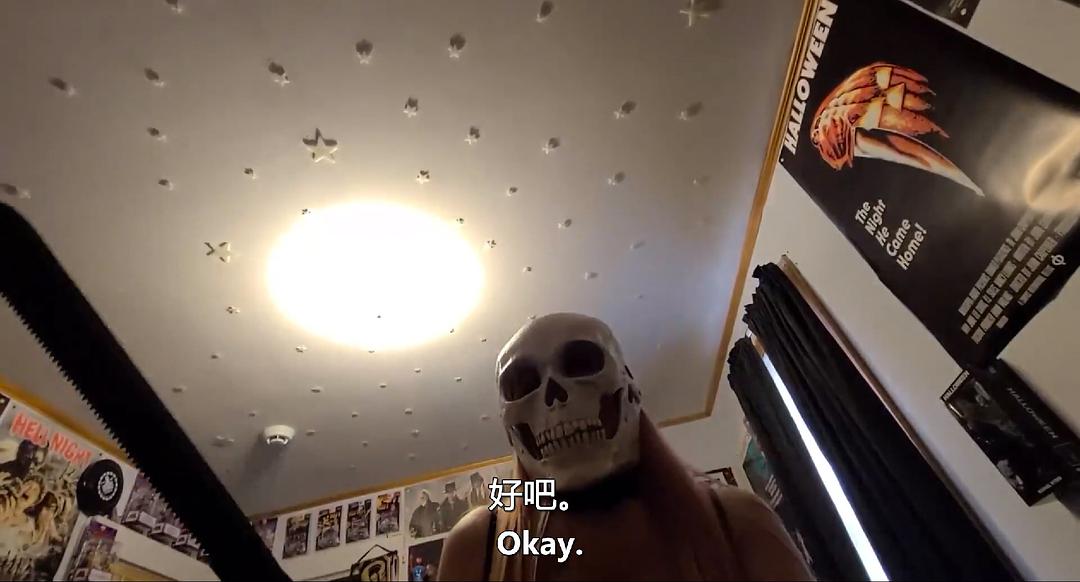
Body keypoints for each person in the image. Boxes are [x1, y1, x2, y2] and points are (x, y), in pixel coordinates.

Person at [439, 313, 813, 581]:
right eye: (522, 386)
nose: (554, 397)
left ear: (630, 388)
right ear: (511, 431)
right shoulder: (478, 545)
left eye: (582, 364)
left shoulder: (737, 520)